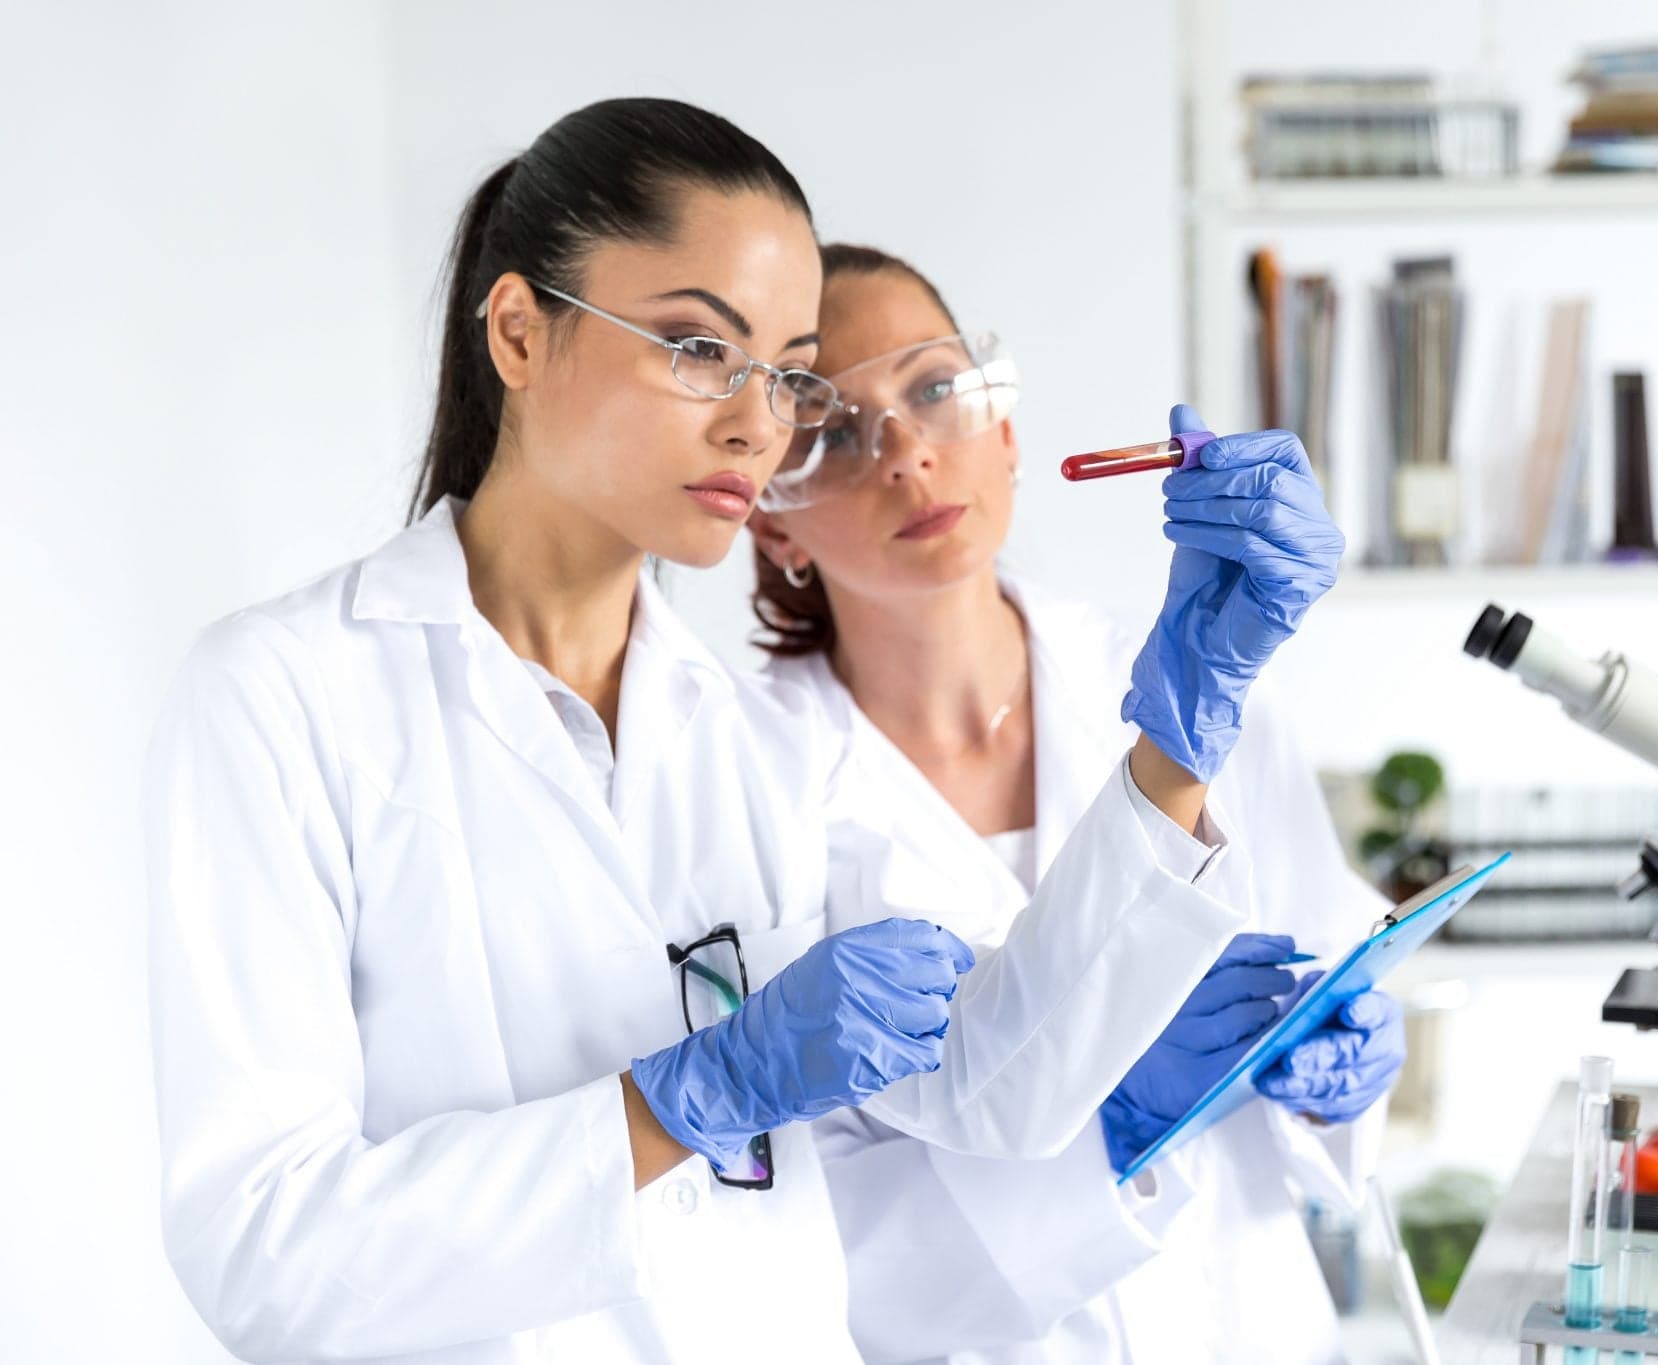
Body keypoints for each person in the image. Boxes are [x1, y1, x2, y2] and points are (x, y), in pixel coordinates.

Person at [143, 100, 1345, 1362]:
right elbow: (266, 1256)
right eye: (698, 347)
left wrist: (1182, 727)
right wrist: (683, 1102)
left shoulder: (750, 743)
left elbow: (998, 1083)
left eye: (784, 373)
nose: (753, 422)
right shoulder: (284, 694)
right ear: (517, 330)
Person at [745, 244, 1404, 1363]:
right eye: (834, 432)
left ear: (1002, 428)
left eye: (933, 390)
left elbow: (1326, 951)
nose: (904, 452)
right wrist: (1110, 1129)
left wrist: (1336, 1074)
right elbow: (805, 1245)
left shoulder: (1195, 677)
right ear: (771, 524)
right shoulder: (746, 782)